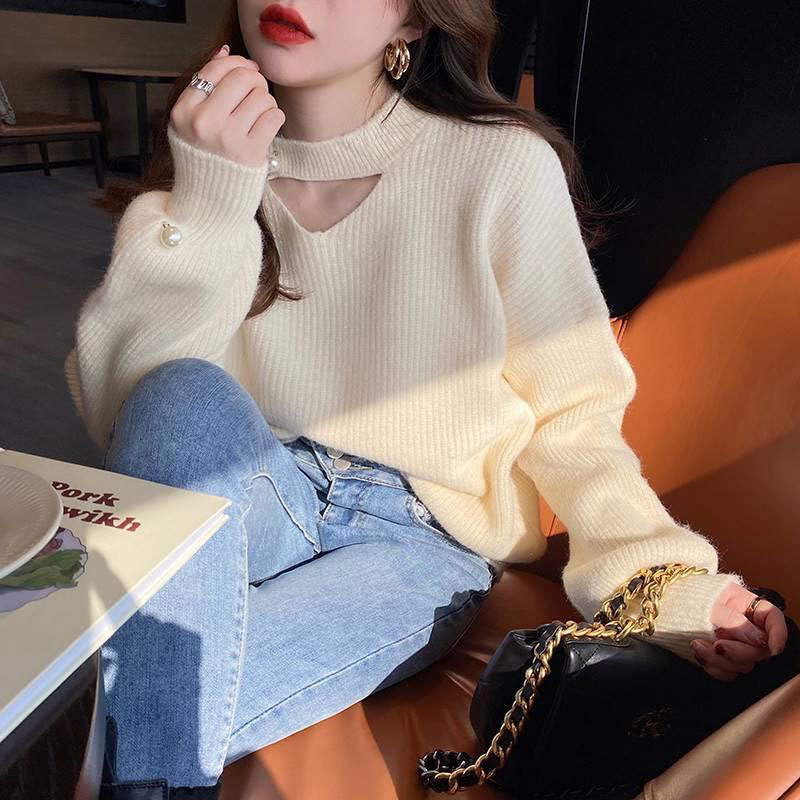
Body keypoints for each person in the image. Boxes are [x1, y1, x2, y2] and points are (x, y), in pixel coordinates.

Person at [64, 1, 789, 797]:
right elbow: (127, 421)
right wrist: (211, 203)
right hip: (263, 488)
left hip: (420, 542)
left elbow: (574, 419)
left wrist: (660, 582)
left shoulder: (500, 167)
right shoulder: (206, 169)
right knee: (177, 392)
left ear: (413, 21)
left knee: (121, 700)